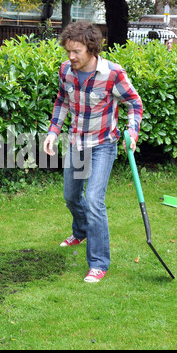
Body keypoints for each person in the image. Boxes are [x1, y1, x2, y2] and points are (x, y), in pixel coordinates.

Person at [44, 21, 143, 283]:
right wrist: (53, 131)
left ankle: (98, 262)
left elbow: (134, 103)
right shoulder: (66, 70)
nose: (70, 57)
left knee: (93, 201)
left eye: (76, 51)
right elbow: (62, 101)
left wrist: (131, 132)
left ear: (91, 48)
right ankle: (81, 230)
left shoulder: (112, 73)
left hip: (102, 144)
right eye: (68, 51)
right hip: (76, 142)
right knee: (70, 196)